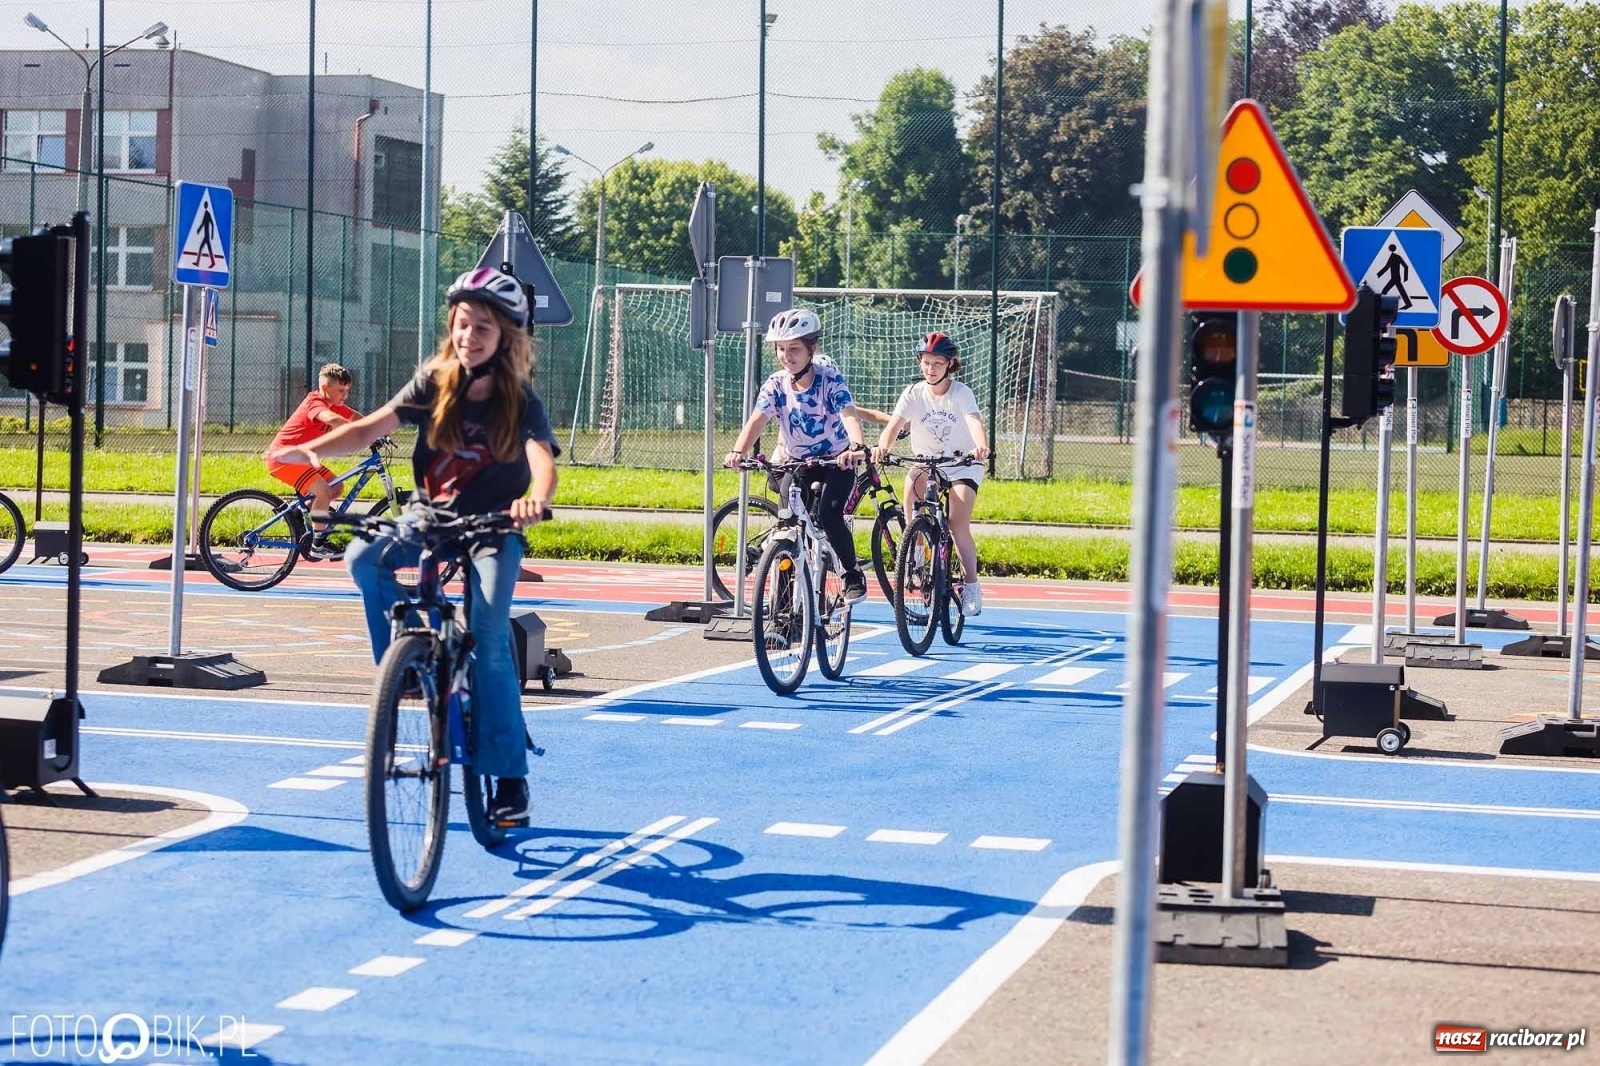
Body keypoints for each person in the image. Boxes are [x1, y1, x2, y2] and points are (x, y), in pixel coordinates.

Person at [268, 267, 558, 824]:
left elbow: (541, 457)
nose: (470, 336)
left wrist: (535, 498)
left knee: (492, 638)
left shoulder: (516, 397)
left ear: (505, 341)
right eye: (463, 325)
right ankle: (397, 669)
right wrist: (312, 452)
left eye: (483, 329)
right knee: (363, 556)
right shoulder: (435, 381)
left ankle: (510, 781)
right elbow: (368, 428)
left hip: (495, 526)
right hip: (430, 518)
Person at [724, 307, 871, 603]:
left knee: (830, 516)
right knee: (786, 525)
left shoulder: (829, 380)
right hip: (798, 462)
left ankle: (852, 573)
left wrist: (855, 447)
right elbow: (757, 420)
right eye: (780, 349)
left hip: (836, 461)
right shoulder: (776, 384)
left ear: (811, 349)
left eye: (794, 349)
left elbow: (848, 414)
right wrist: (738, 451)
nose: (786, 356)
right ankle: (784, 612)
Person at [872, 331, 991, 616]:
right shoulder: (913, 393)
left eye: (937, 363)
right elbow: (894, 425)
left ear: (950, 364)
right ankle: (915, 547)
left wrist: (981, 446)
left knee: (956, 523)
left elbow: (973, 421)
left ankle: (971, 585)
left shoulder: (961, 392)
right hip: (927, 462)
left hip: (962, 463)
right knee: (912, 482)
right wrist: (882, 447)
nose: (930, 368)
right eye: (926, 362)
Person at [264, 362, 359, 559]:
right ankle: (318, 544)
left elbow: (356, 417)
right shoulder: (315, 402)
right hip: (284, 458)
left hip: (302, 459)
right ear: (326, 388)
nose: (345, 395)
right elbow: (329, 418)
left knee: (336, 487)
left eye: (347, 390)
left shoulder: (335, 405)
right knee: (323, 490)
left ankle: (301, 515)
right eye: (341, 390)